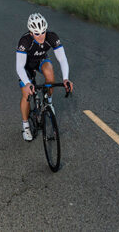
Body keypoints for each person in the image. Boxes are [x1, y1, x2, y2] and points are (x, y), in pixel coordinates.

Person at [16, 12, 73, 141]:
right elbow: (19, 67)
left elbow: (62, 59)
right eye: (37, 33)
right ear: (31, 33)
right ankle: (25, 125)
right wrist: (27, 83)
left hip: (41, 61)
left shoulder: (52, 37)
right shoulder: (24, 41)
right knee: (26, 94)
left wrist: (65, 78)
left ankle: (49, 101)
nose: (41, 36)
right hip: (26, 66)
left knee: (49, 71)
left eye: (43, 32)